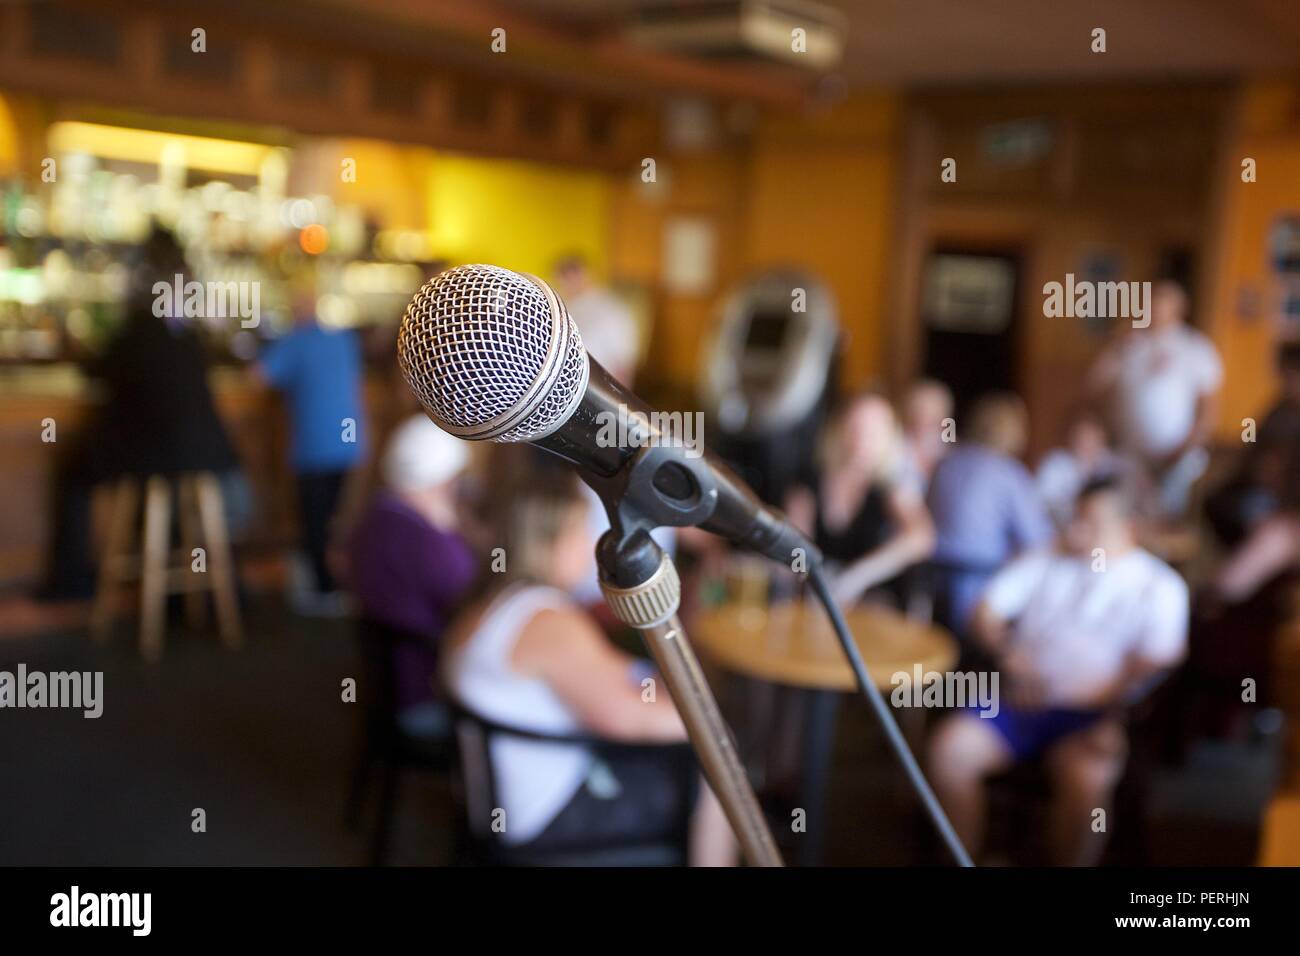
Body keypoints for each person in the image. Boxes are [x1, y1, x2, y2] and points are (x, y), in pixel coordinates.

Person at [442, 472, 736, 865]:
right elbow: (631, 719)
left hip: (493, 803)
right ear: (548, 543)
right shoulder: (549, 620)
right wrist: (711, 724)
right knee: (715, 773)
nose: (589, 546)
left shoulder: (491, 604)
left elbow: (608, 677)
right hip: (544, 817)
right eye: (579, 531)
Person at [927, 476, 1188, 865]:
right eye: (1076, 519)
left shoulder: (1160, 585)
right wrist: (1008, 651)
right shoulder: (1048, 556)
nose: (1077, 530)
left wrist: (1116, 710)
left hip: (1093, 717)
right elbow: (984, 611)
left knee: (1087, 781)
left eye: (1092, 522)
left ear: (1128, 527)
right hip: (1017, 702)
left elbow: (1160, 665)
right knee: (948, 754)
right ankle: (965, 858)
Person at [39, 227, 247, 600]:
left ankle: (71, 584)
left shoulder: (134, 332)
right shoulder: (189, 337)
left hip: (148, 455)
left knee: (74, 473)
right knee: (158, 481)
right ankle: (182, 594)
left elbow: (96, 372)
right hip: (209, 455)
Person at [348, 415, 478, 738]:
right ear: (448, 482)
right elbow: (473, 606)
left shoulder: (374, 518)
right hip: (426, 702)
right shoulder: (428, 541)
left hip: (389, 693)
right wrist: (449, 529)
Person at [257, 268, 364, 610]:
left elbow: (258, 378)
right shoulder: (344, 340)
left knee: (314, 521)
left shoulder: (294, 342)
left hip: (315, 448)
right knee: (333, 518)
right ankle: (335, 584)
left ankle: (322, 590)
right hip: (349, 444)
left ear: (294, 309)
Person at [1087, 280, 1222, 517]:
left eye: (1161, 302)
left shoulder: (1196, 348)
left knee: (1167, 521)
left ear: (1179, 308)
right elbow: (1093, 384)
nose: (1153, 308)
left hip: (1178, 461)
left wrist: (1181, 451)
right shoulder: (1130, 344)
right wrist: (1117, 343)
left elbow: (1209, 410)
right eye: (1149, 301)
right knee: (1127, 518)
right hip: (1130, 457)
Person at [786, 393, 934, 608]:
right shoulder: (809, 479)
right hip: (814, 600)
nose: (862, 437)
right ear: (839, 429)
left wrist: (857, 577)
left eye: (873, 431)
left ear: (889, 437)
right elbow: (795, 544)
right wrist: (805, 577)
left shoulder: (890, 486)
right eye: (856, 426)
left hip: (871, 605)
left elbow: (922, 538)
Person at [926, 393, 1052, 638]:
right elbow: (1037, 538)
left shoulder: (946, 462)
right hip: (977, 583)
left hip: (929, 578)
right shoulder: (1007, 473)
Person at [1035, 409, 1130, 528]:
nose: (1086, 441)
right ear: (1071, 437)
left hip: (1107, 526)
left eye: (1091, 435)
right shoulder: (1055, 465)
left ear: (1102, 436)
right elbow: (1043, 505)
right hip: (1066, 529)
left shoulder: (1114, 463)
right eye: (1081, 436)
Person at [553, 254, 639, 383]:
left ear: (587, 274)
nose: (568, 283)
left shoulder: (612, 309)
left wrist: (617, 400)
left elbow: (624, 364)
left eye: (572, 276)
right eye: (563, 278)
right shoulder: (563, 306)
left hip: (599, 385)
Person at [900, 378, 954, 491]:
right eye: (918, 411)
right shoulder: (898, 444)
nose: (923, 419)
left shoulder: (949, 449)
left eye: (931, 415)